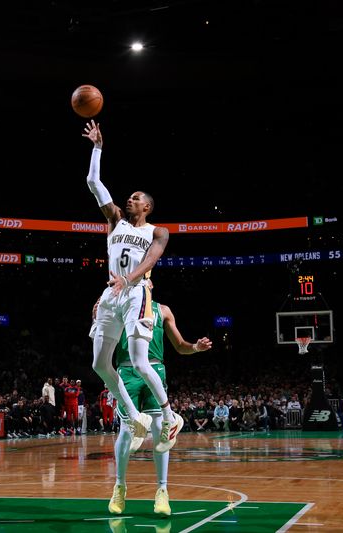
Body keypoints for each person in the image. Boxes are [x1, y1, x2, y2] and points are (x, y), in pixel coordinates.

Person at [82, 119, 180, 452]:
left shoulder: (157, 231)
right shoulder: (115, 220)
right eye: (130, 197)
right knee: (98, 364)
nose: (130, 199)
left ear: (147, 207)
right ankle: (133, 415)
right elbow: (93, 181)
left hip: (135, 292)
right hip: (111, 293)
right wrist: (97, 148)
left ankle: (169, 416)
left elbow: (151, 260)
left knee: (139, 362)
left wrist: (130, 279)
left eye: (136, 198)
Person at [98, 296, 212, 517]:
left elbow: (180, 346)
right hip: (126, 369)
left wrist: (196, 348)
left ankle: (162, 490)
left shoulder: (163, 310)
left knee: (160, 430)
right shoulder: (120, 306)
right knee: (127, 430)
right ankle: (119, 487)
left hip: (154, 369)